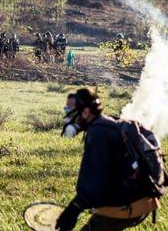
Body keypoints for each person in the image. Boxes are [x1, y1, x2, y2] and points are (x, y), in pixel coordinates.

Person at [56, 88, 159, 231]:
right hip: (142, 200)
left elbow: (96, 180)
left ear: (85, 112)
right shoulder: (106, 123)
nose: (67, 116)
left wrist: (74, 209)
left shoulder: (98, 133)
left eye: (70, 111)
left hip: (130, 203)